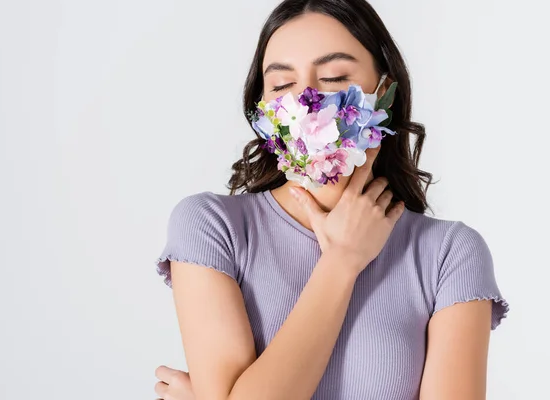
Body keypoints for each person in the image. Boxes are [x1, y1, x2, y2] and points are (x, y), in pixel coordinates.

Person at [153, 0, 509, 399]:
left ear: (384, 93)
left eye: (334, 77)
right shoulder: (212, 226)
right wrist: (341, 261)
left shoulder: (449, 254)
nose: (306, 98)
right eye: (282, 85)